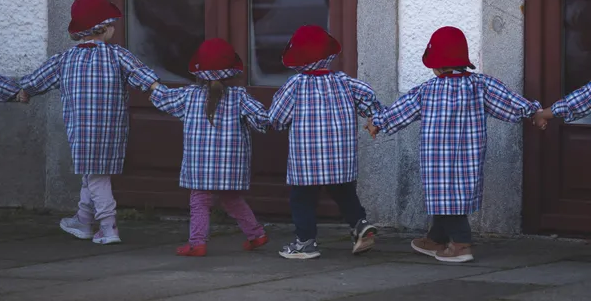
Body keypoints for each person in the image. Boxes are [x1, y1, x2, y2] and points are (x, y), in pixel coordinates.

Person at [366, 26, 541, 263]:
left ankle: (460, 245)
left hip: (436, 159)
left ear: (436, 65)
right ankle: (436, 238)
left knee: (445, 197)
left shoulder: (426, 91)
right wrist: (534, 112)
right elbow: (509, 102)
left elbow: (399, 112)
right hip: (470, 157)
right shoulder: (482, 85)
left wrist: (377, 122)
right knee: (453, 196)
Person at [20, 0, 160, 245]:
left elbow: (34, 82)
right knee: (94, 174)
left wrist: (21, 92)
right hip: (111, 131)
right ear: (104, 28)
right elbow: (146, 78)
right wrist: (160, 93)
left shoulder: (64, 59)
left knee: (96, 176)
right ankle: (85, 220)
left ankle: (108, 227)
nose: (114, 29)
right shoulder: (118, 55)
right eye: (112, 24)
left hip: (82, 132)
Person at [270, 25, 381, 259]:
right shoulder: (345, 82)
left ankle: (305, 243)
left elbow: (277, 118)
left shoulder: (295, 85)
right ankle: (360, 225)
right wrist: (374, 119)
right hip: (340, 156)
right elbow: (370, 102)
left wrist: (279, 125)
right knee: (344, 192)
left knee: (302, 199)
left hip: (306, 158)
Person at [150, 38, 269, 256]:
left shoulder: (189, 95)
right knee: (231, 199)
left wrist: (152, 84)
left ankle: (197, 243)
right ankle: (256, 234)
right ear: (233, 71)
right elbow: (262, 120)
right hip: (229, 165)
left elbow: (163, 100)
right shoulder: (240, 97)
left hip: (199, 165)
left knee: (199, 201)